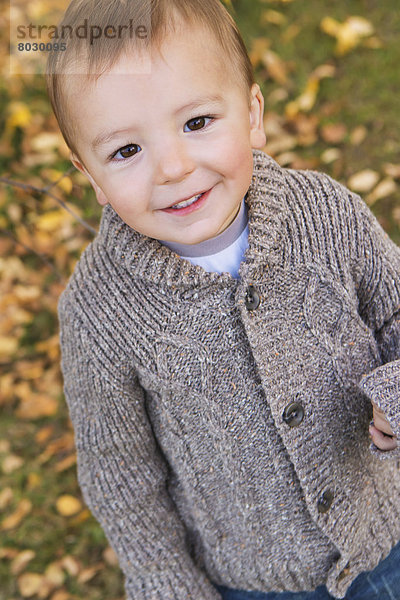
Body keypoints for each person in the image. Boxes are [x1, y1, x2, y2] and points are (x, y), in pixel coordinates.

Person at [46, 0, 400, 598]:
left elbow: (393, 311)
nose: (174, 167)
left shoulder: (326, 214)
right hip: (254, 582)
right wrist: (171, 586)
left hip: (386, 532)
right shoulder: (99, 315)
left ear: (253, 114)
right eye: (126, 151)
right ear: (90, 176)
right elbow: (122, 478)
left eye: (197, 122)